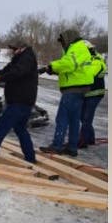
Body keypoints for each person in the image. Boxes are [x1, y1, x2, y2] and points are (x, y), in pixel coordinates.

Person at [38, 29, 96, 157]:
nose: (62, 44)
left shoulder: (77, 47)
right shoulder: (78, 48)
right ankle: (72, 147)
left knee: (62, 118)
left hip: (73, 89)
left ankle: (57, 145)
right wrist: (53, 71)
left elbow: (69, 64)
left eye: (63, 41)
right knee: (74, 120)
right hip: (79, 88)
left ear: (68, 38)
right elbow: (74, 69)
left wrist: (51, 66)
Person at [79, 45, 107, 148]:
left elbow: (89, 74)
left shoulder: (96, 61)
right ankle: (90, 138)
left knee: (86, 118)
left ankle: (83, 141)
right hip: (88, 93)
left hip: (95, 93)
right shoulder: (88, 59)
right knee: (83, 117)